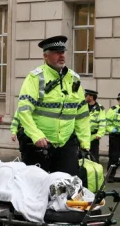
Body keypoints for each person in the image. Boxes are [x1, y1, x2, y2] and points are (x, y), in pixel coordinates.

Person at [14, 36, 90, 175]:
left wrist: (85, 142)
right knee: (36, 188)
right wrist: (36, 136)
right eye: (56, 52)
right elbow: (24, 111)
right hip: (39, 144)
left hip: (66, 143)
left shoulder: (74, 79)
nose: (61, 55)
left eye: (62, 52)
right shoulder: (35, 77)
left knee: (67, 186)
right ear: (45, 56)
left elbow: (82, 114)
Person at [84, 89, 106, 164]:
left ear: (91, 97)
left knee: (94, 156)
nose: (85, 97)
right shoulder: (83, 106)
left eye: (86, 96)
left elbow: (102, 122)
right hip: (83, 135)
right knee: (82, 156)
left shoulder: (99, 108)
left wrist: (100, 134)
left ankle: (95, 172)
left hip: (93, 136)